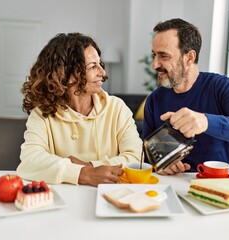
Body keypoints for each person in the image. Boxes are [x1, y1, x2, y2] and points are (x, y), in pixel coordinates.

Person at [142, 18, 229, 175]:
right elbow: (147, 155)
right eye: (154, 55)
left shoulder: (220, 87)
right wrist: (159, 165)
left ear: (189, 57)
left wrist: (206, 121)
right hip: (174, 186)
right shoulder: (155, 100)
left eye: (163, 56)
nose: (154, 64)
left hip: (222, 185)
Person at [17, 33, 142, 186]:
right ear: (66, 75)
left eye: (100, 64)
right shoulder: (42, 114)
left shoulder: (117, 108)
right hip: (63, 199)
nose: (103, 73)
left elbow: (136, 158)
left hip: (111, 197)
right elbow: (30, 160)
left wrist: (88, 168)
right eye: (93, 67)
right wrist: (83, 174)